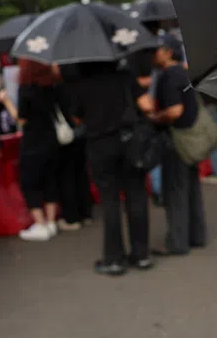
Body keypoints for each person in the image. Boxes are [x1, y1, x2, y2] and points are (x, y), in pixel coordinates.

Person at [64, 61, 152, 275]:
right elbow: (147, 105)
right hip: (129, 142)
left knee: (110, 201)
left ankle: (114, 259)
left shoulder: (80, 83)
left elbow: (76, 118)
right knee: (136, 195)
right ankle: (141, 255)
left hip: (99, 145)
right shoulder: (125, 75)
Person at [149, 33, 206, 256]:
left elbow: (175, 111)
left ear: (168, 52)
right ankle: (197, 235)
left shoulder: (168, 76)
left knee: (175, 192)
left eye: (157, 50)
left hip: (176, 140)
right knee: (191, 189)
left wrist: (155, 117)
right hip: (190, 139)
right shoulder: (183, 72)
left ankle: (177, 242)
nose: (154, 55)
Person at [0, 59, 65, 241]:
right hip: (51, 138)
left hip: (33, 141)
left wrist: (6, 101)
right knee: (50, 179)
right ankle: (51, 222)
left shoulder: (26, 89)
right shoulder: (52, 86)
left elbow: (21, 119)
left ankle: (40, 223)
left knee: (30, 182)